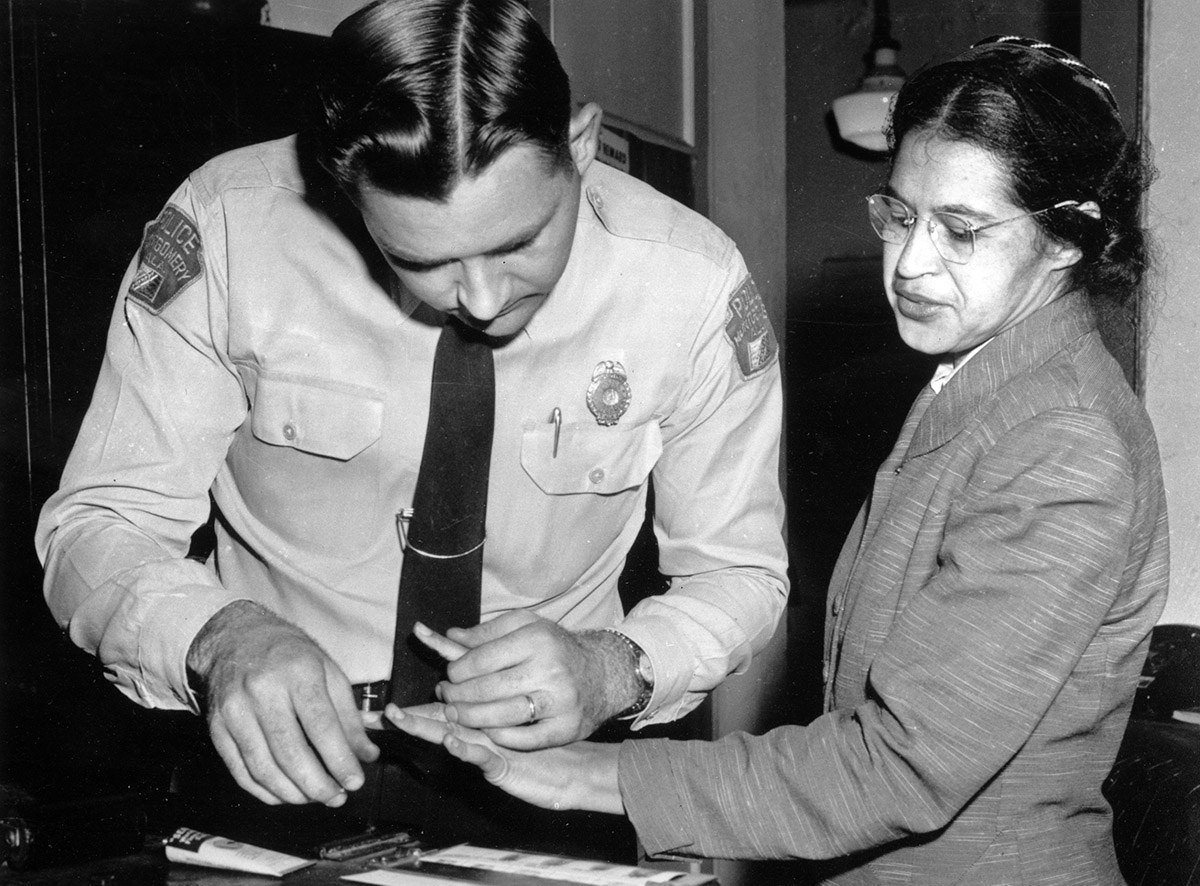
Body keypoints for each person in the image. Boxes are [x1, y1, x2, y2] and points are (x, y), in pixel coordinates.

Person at [392, 35, 1169, 884]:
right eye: (900, 215)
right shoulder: (990, 386)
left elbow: (901, 767)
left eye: (961, 229)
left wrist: (591, 774)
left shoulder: (1062, 442)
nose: (909, 262)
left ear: (1066, 240)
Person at [34, 0, 787, 847]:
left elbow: (741, 573)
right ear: (342, 188)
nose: (482, 300)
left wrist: (616, 667)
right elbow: (96, 525)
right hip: (268, 771)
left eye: (521, 243)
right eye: (420, 260)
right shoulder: (229, 226)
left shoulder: (690, 284)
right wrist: (219, 638)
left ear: (579, 146)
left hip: (552, 782)